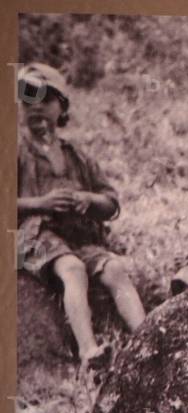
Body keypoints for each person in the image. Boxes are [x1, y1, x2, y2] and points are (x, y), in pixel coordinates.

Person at [16, 63, 146, 370]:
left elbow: (111, 203)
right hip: (33, 237)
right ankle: (89, 351)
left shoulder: (76, 155)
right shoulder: (16, 151)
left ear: (62, 107)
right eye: (28, 100)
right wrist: (40, 203)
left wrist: (89, 199)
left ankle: (148, 338)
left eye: (46, 99)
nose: (37, 107)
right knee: (73, 269)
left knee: (114, 269)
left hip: (79, 237)